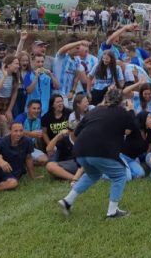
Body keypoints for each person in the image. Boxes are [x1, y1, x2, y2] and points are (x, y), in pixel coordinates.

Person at [58, 89, 135, 218]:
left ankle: (67, 201)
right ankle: (112, 211)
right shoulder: (122, 111)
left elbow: (76, 133)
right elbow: (132, 127)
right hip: (99, 151)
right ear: (121, 101)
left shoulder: (93, 111)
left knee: (93, 174)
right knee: (120, 175)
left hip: (80, 151)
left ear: (106, 98)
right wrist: (131, 110)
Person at [120, 111, 151, 179]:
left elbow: (150, 149)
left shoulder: (148, 131)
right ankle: (105, 174)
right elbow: (124, 131)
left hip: (132, 160)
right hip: (122, 157)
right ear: (143, 119)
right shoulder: (134, 127)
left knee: (141, 174)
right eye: (150, 117)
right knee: (128, 178)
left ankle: (124, 172)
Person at [14, 99, 48, 165]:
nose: (36, 111)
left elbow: (42, 132)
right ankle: (23, 160)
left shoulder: (39, 118)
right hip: (17, 147)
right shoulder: (21, 117)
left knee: (45, 160)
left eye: (38, 108)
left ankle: (24, 162)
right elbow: (13, 131)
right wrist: (30, 134)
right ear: (28, 108)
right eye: (34, 108)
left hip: (30, 147)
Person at [0, 55, 20, 120]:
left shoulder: (15, 76)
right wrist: (4, 76)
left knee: (9, 121)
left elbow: (14, 94)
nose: (18, 66)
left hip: (6, 102)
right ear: (8, 65)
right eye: (16, 64)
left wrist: (9, 110)